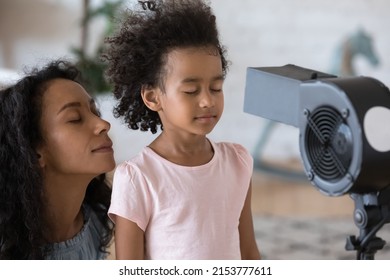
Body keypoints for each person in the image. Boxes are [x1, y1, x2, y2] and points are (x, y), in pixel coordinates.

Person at [104, 0, 261, 260]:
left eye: (216, 88)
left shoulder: (238, 162)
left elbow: (249, 251)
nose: (207, 101)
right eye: (191, 90)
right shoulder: (138, 177)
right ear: (153, 97)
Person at [0, 60, 115, 259]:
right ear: (35, 152)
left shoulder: (101, 219)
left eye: (95, 112)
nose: (103, 124)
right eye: (75, 118)